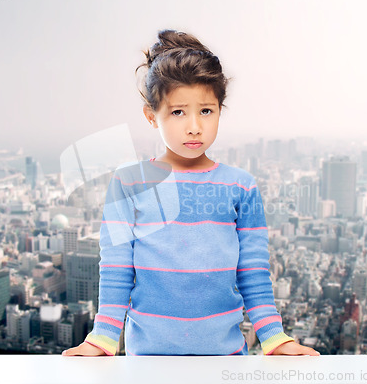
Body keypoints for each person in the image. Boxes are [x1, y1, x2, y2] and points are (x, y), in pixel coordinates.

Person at [62, 29, 320, 357]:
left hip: (225, 362)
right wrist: (101, 340)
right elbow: (116, 267)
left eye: (206, 111)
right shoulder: (129, 183)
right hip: (147, 364)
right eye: (178, 112)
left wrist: (274, 338)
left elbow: (253, 269)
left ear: (220, 111)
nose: (194, 126)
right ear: (151, 115)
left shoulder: (241, 186)